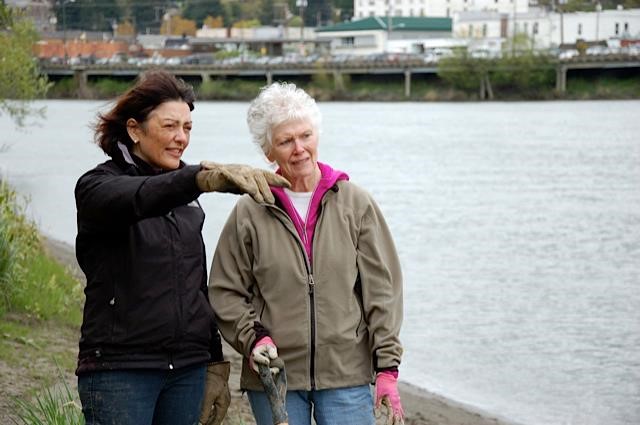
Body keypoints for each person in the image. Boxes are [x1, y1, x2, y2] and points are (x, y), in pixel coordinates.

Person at [74, 70, 289, 425]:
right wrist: (196, 179)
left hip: (187, 370)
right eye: (170, 126)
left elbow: (195, 288)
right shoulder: (98, 186)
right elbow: (140, 196)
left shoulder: (187, 200)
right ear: (134, 130)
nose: (181, 138)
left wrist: (214, 363)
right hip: (121, 370)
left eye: (187, 127)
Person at [209, 82, 405, 425]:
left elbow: (382, 290)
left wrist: (387, 366)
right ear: (269, 151)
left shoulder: (355, 203)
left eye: (306, 136)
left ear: (317, 136)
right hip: (274, 375)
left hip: (346, 374)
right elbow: (225, 291)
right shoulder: (249, 211)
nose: (299, 148)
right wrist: (253, 339)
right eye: (286, 141)